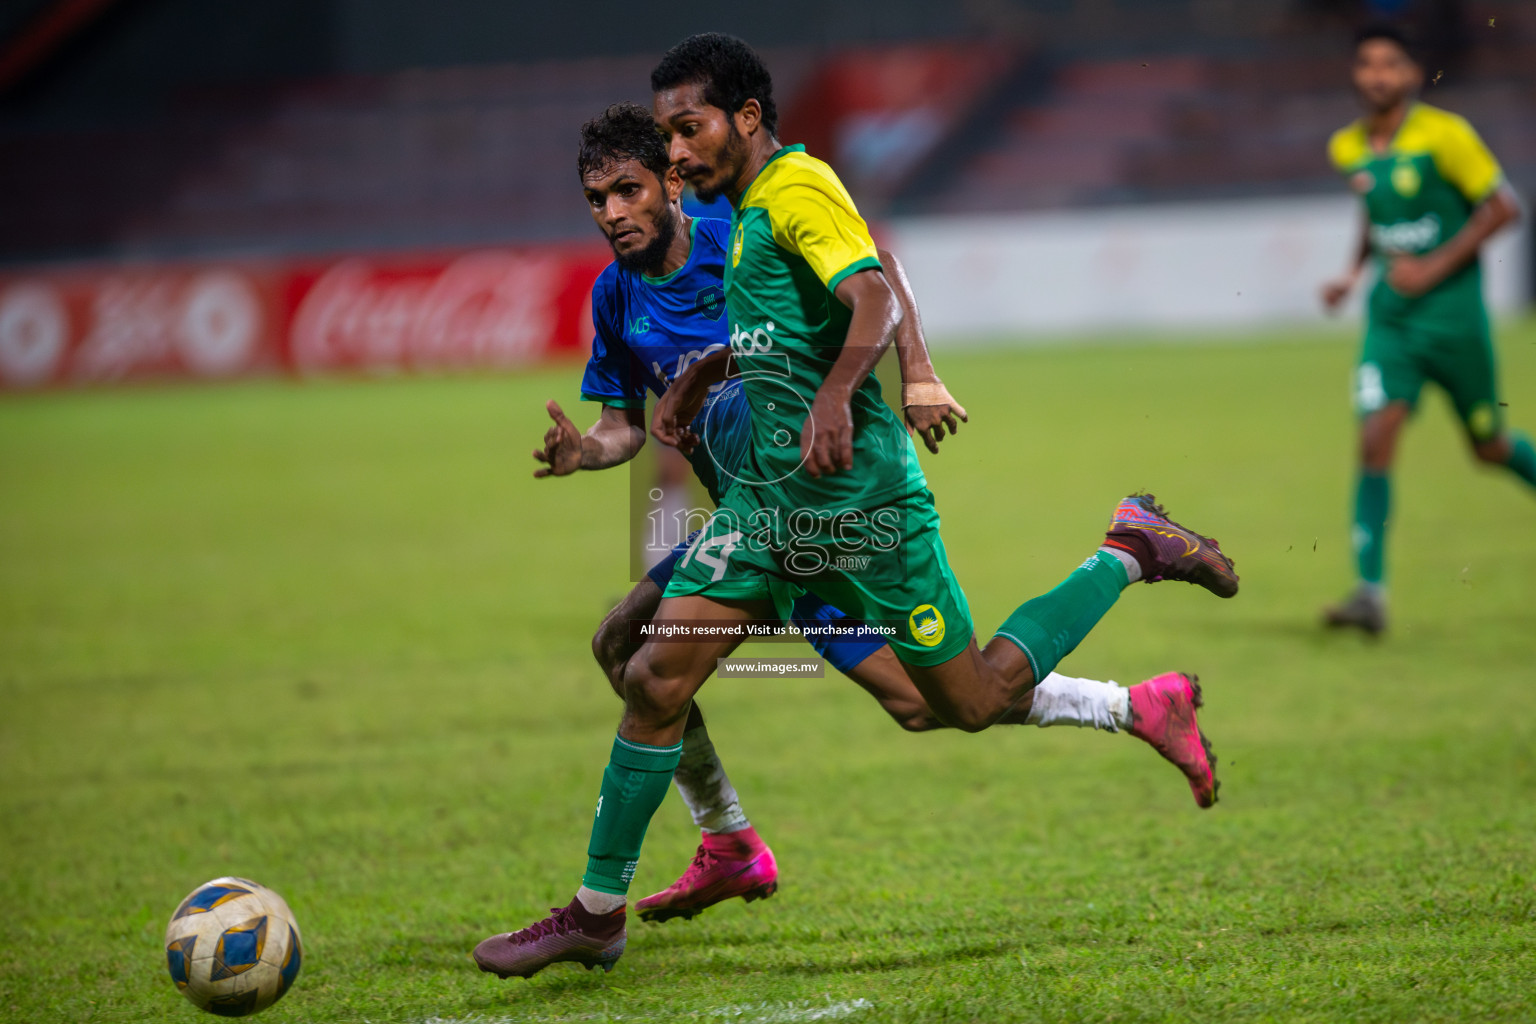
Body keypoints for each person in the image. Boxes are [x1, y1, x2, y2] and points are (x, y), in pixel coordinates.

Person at [475, 38, 1237, 978]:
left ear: (741, 121)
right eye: (612, 188)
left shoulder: (784, 195)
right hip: (763, 511)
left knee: (958, 703)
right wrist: (690, 384)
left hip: (857, 505)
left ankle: (1130, 550)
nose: (662, 169)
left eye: (679, 139)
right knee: (645, 668)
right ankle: (609, 906)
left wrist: (888, 380)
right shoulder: (730, 223)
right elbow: (757, 338)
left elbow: (873, 287)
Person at [1320, 23, 1530, 635]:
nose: (1377, 74)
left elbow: (1504, 208)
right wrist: (1353, 274)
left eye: (1390, 64)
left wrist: (1434, 266)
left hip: (1455, 323)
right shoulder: (1347, 147)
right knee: (1375, 437)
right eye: (1366, 64)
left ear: (1412, 74)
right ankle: (1369, 593)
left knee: (1489, 446)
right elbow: (1375, 213)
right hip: (1391, 322)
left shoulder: (1446, 136)